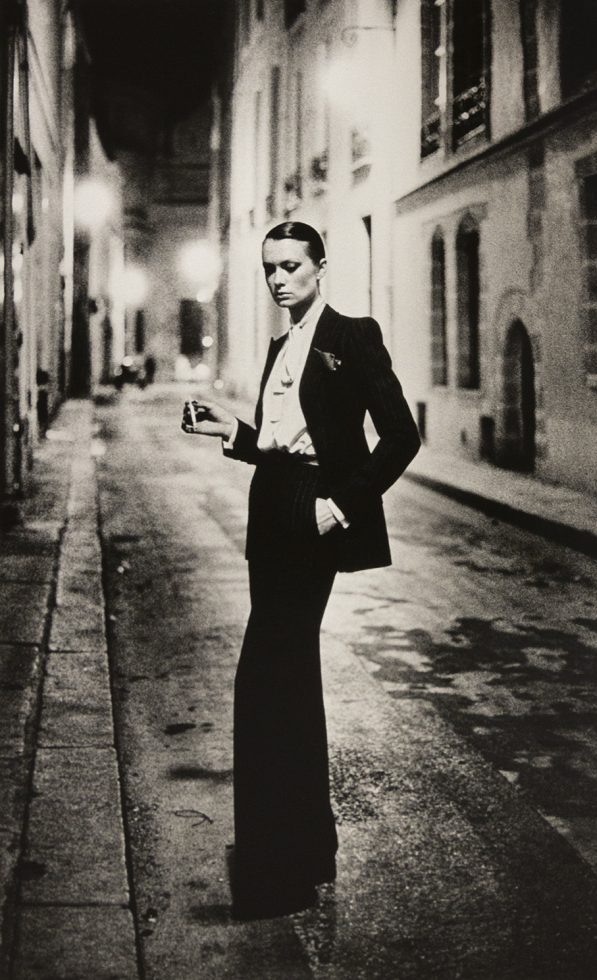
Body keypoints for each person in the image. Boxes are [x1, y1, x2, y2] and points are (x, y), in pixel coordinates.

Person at [182, 221, 420, 919]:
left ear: (320, 266)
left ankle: (278, 865)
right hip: (272, 509)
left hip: (314, 515)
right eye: (269, 269)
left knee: (265, 677)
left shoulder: (352, 336)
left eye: (291, 266)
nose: (279, 279)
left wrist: (340, 506)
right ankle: (298, 852)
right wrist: (235, 433)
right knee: (284, 679)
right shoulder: (281, 344)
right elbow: (282, 445)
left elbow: (400, 436)